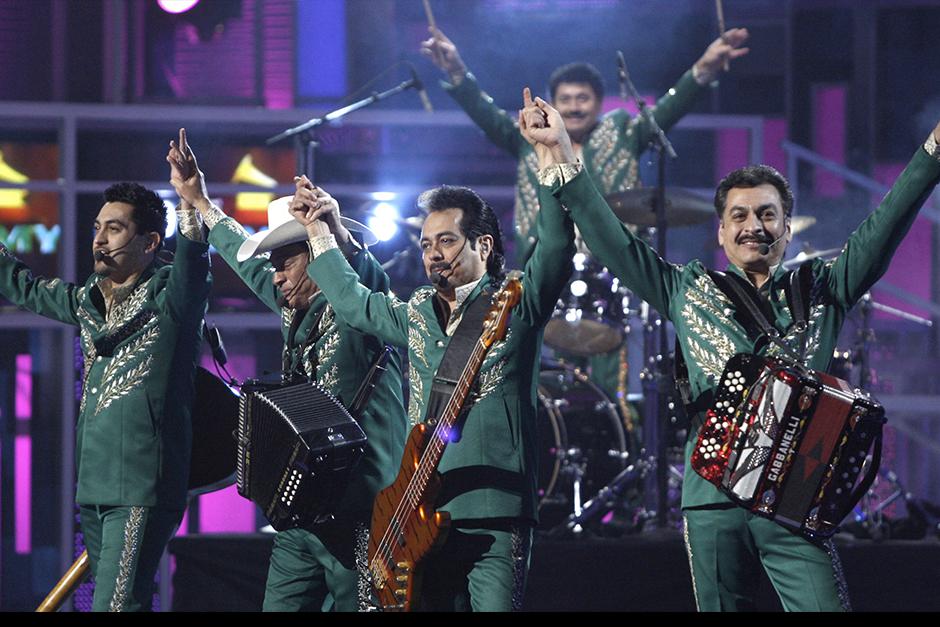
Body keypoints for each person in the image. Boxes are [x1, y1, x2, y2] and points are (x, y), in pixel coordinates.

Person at [541, 94, 940, 611]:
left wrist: (931, 152)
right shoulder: (686, 288)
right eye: (741, 215)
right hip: (711, 496)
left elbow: (885, 224)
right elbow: (614, 242)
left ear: (787, 226)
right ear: (722, 231)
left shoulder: (825, 285)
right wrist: (566, 158)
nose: (755, 225)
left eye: (768, 214)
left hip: (796, 495)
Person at [283, 89, 576, 611]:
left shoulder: (516, 304)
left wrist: (552, 157)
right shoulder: (416, 313)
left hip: (495, 510)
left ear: (483, 245)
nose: (433, 254)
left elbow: (554, 250)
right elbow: (353, 304)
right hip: (420, 511)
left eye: (446, 241)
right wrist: (319, 231)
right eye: (425, 243)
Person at [421, 23, 749, 423]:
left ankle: (612, 443)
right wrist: (455, 69)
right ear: (553, 105)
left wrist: (706, 66)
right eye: (566, 99)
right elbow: (484, 113)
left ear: (598, 102)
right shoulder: (530, 139)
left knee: (610, 378)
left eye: (583, 98)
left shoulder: (623, 135)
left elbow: (668, 108)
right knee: (544, 377)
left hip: (609, 273)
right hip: (540, 269)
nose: (575, 106)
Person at [166, 130, 408, 612]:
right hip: (301, 513)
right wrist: (200, 199)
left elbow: (365, 275)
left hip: (363, 509)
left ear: (317, 260)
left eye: (283, 262)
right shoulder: (290, 305)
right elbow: (240, 254)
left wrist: (333, 233)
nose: (273, 275)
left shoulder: (361, 307)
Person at [0, 134, 211, 611]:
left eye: (114, 229)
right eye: (98, 227)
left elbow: (194, 262)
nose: (99, 239)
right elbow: (25, 287)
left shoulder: (170, 298)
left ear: (150, 242)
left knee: (117, 607)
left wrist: (190, 200)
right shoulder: (88, 302)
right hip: (93, 486)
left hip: (141, 486)